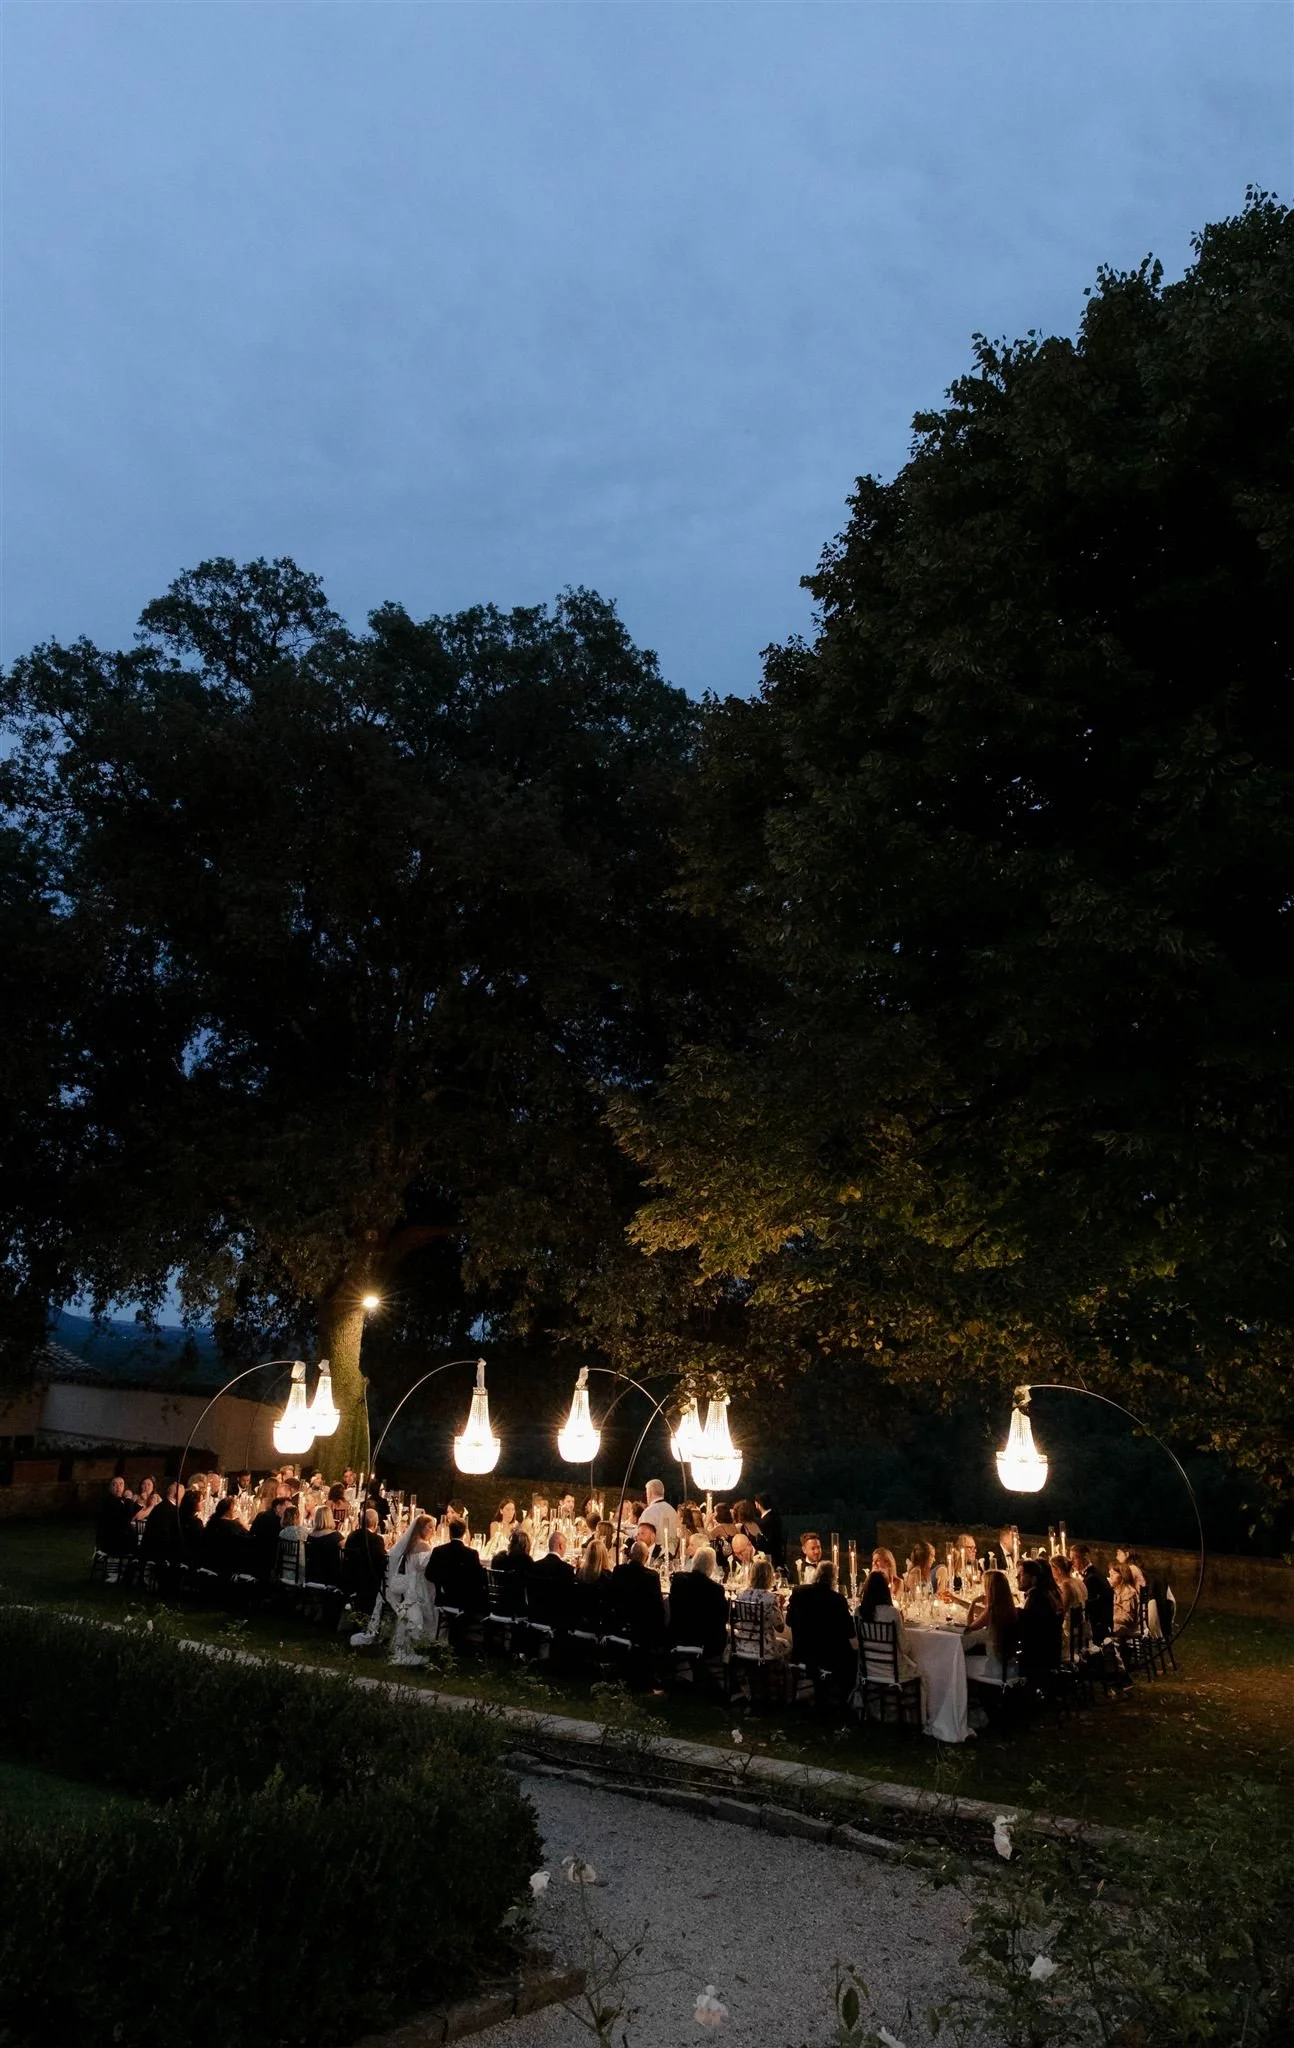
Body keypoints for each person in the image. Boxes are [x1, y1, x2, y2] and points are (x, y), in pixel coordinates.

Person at [788, 1561, 858, 1704]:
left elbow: (789, 1621)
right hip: (829, 1655)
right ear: (834, 1578)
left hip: (803, 1651)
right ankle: (847, 1700)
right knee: (857, 1656)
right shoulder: (837, 1599)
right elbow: (850, 1632)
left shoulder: (799, 1592)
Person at [667, 1545, 729, 1676]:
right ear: (711, 1567)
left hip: (678, 1633)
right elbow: (723, 1617)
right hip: (705, 1639)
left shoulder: (678, 1580)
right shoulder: (715, 1589)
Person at [610, 1541, 666, 1683]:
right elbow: (657, 1606)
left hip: (620, 1620)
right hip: (642, 1626)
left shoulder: (618, 1570)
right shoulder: (651, 1576)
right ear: (645, 1558)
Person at [962, 1569, 1019, 1685]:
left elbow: (970, 1628)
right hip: (1011, 1666)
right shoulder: (1009, 1608)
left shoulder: (991, 1610)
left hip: (996, 1668)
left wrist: (973, 1603)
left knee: (961, 1662)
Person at [1016, 1558, 1063, 1685]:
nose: (1016, 1577)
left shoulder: (1037, 1600)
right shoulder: (1043, 1594)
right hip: (1050, 1652)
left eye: (1021, 1575)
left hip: (1037, 1657)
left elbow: (1026, 1630)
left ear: (1033, 1579)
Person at [429, 1520, 489, 1618]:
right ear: (464, 1534)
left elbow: (429, 1574)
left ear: (450, 1532)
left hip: (445, 1598)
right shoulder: (472, 1553)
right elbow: (478, 1579)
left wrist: (442, 1582)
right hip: (466, 1600)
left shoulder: (438, 1551)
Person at [529, 1529, 577, 1635]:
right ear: (560, 1546)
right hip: (557, 1618)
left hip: (536, 1614)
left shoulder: (535, 1566)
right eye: (565, 1545)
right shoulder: (566, 1569)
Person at [743, 1557, 790, 1658]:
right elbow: (780, 1628)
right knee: (787, 1644)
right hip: (764, 1648)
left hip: (742, 1645)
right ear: (769, 1577)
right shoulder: (770, 1598)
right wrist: (781, 1606)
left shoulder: (741, 1595)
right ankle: (778, 1673)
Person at [343, 1508, 387, 1613]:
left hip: (350, 1575)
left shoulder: (352, 1535)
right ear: (376, 1523)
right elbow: (381, 1559)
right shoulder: (376, 1539)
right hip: (368, 1578)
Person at [1070, 1543, 1114, 1640]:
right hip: (1102, 1622)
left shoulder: (1092, 1578)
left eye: (1075, 1558)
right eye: (1071, 1558)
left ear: (1085, 1557)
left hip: (1098, 1625)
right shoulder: (1093, 1573)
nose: (1071, 1562)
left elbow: (1088, 1605)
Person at [1050, 1555, 1088, 1660]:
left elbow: (1061, 1612)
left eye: (1051, 1568)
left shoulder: (1066, 1585)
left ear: (1057, 1570)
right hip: (1083, 1629)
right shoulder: (1079, 1581)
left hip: (1071, 1632)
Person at [203, 1497, 251, 1579]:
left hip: (210, 1561)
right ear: (230, 1511)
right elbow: (248, 1539)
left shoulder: (211, 1523)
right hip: (228, 1563)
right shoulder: (233, 1526)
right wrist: (242, 1524)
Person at [493, 1527, 533, 1618]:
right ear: (525, 1546)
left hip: (499, 1605)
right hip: (518, 1608)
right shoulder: (526, 1561)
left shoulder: (498, 1559)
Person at [248, 1492, 287, 1582]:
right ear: (278, 1508)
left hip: (256, 1554)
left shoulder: (261, 1515)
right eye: (286, 1508)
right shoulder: (278, 1521)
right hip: (270, 1557)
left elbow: (252, 1532)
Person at [95, 1477, 137, 1558]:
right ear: (110, 1487)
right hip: (113, 1541)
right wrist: (129, 1499)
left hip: (123, 1539)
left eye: (121, 1484)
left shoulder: (122, 1500)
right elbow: (127, 1516)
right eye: (114, 1484)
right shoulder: (107, 1501)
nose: (118, 1487)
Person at [305, 1503, 344, 1587]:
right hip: (330, 1577)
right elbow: (346, 1548)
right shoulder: (335, 1536)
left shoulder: (309, 1535)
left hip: (312, 1575)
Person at [639, 1479, 679, 1557]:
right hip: (672, 1556)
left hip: (654, 1557)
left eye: (647, 1493)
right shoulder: (673, 1511)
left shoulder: (649, 1512)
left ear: (649, 1493)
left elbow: (642, 1536)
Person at [277, 1503, 308, 1585]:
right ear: (296, 1517)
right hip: (300, 1570)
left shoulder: (282, 1533)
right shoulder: (302, 1531)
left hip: (285, 1569)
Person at [1109, 1562, 1141, 1642]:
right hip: (1117, 1624)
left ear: (1122, 1576)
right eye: (1110, 1573)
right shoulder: (1115, 1591)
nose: (1111, 1576)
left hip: (1125, 1628)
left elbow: (1128, 1617)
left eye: (1114, 1574)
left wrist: (1110, 1618)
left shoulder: (1128, 1592)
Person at [754, 1493, 786, 1573]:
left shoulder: (766, 1520)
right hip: (777, 1554)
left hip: (771, 1557)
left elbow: (769, 1540)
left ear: (759, 1504)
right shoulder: (774, 1516)